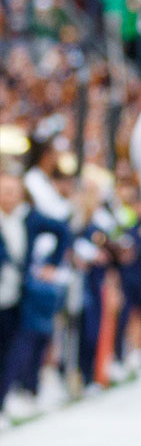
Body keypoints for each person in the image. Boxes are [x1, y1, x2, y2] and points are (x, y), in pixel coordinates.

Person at [0, 170, 72, 421]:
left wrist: (52, 264)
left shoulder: (29, 218)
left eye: (13, 191)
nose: (8, 196)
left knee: (13, 347)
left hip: (16, 295)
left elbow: (62, 230)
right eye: (4, 191)